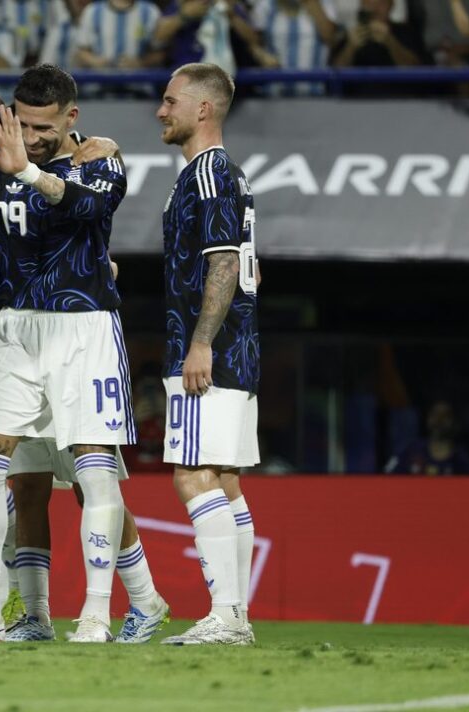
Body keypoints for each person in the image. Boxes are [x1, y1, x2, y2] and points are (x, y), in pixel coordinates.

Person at [0, 64, 135, 644]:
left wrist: (32, 172)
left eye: (43, 126)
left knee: (94, 467)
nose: (31, 134)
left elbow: (90, 207)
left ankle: (96, 613)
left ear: (72, 117)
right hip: (15, 329)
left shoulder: (101, 159)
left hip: (84, 327)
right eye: (22, 122)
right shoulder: (1, 161)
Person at [155, 62, 258, 645]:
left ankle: (224, 614)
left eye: (171, 101)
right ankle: (236, 614)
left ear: (202, 109)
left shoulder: (209, 174)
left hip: (206, 352)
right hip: (236, 350)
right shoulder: (226, 174)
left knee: (193, 476)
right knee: (225, 480)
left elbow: (223, 262)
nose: (161, 111)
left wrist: (198, 343)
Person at [385, 400, 469, 475]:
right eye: (434, 414)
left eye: (445, 416)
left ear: (455, 423)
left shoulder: (463, 460)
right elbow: (388, 479)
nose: (439, 420)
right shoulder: (411, 451)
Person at [331, 0, 426, 69]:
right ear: (362, 5)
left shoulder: (406, 32)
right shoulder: (351, 35)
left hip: (399, 94)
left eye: (381, 3)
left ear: (391, 5)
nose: (374, 9)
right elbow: (334, 74)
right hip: (359, 95)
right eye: (369, 2)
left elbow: (419, 70)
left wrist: (390, 42)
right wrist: (350, 48)